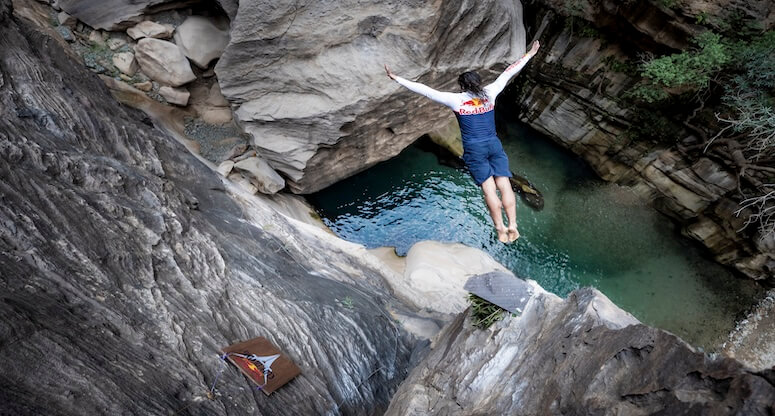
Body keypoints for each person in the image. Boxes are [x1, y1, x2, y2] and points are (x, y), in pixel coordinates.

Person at [385, 40, 540, 243]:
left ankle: (501, 229)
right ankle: (513, 225)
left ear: (462, 86)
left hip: (475, 149)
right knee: (504, 185)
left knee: (488, 189)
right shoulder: (491, 92)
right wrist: (530, 54)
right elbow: (509, 71)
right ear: (478, 82)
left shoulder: (456, 100)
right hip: (493, 144)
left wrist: (396, 77)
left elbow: (424, 90)